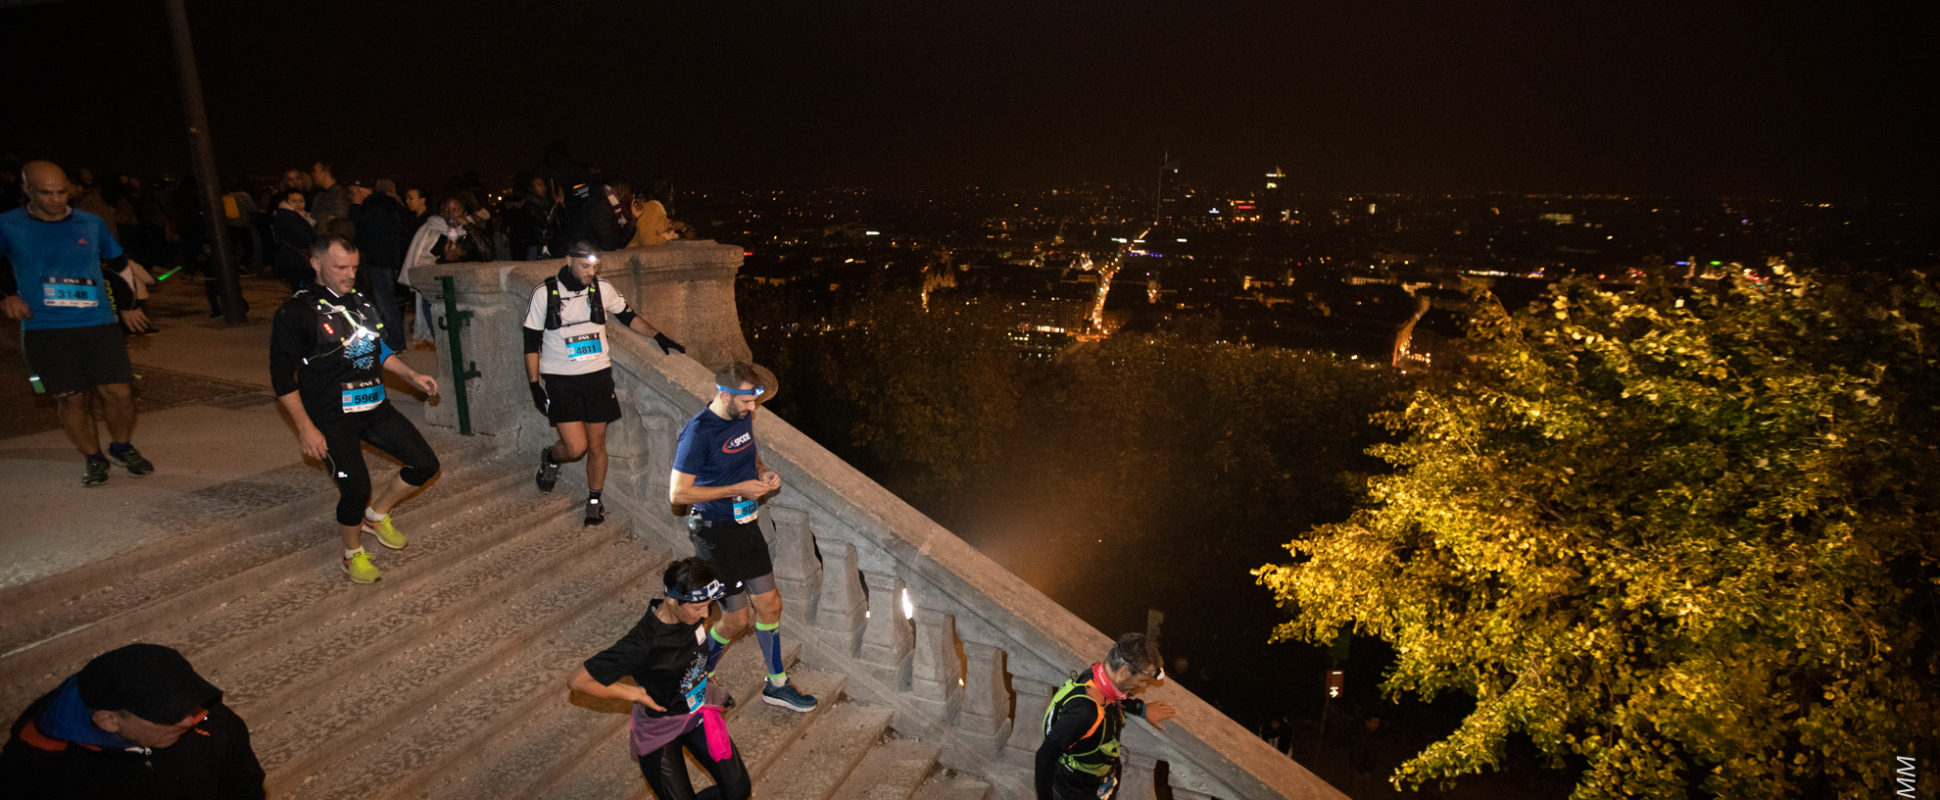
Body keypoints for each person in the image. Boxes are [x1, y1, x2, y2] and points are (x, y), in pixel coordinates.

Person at [270, 234, 441, 584]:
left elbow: (374, 347)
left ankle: (376, 516)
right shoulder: (296, 311)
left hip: (373, 405)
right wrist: (305, 427)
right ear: (316, 264)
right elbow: (281, 377)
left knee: (425, 464)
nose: (350, 274)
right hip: (330, 417)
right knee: (356, 488)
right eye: (340, 267)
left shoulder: (361, 301)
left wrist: (411, 375)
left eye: (354, 267)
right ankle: (352, 555)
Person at [670, 362, 818, 712]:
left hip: (746, 525)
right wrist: (737, 487)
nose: (754, 408)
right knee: (737, 620)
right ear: (725, 395)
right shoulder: (698, 433)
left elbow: (749, 455)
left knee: (770, 603)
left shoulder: (742, 417)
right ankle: (697, 673)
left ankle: (777, 685)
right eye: (748, 401)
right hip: (715, 533)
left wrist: (764, 473)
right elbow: (677, 495)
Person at [0, 160, 156, 487]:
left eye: (62, 192)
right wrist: (7, 294)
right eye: (47, 193)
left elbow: (118, 264)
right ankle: (93, 456)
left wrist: (128, 306)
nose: (58, 199)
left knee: (120, 392)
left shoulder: (90, 222)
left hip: (96, 321)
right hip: (44, 326)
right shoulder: (8, 224)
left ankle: (121, 446)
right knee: (70, 398)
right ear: (27, 190)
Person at [526, 240, 685, 525]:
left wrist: (658, 336)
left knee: (597, 444)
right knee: (575, 447)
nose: (590, 272)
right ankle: (551, 456)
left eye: (594, 267)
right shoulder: (544, 293)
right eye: (584, 266)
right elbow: (530, 342)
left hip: (597, 376)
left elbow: (628, 316)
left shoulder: (602, 289)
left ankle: (594, 499)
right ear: (568, 260)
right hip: (561, 379)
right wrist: (534, 385)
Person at [568, 557, 750, 800]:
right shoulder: (643, 643)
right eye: (698, 608)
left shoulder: (692, 614)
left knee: (738, 791)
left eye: (708, 605)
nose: (705, 614)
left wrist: (704, 675)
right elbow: (578, 680)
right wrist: (634, 693)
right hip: (661, 728)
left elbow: (694, 648)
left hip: (697, 712)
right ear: (672, 600)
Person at [0, 643, 265, 798]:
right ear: (109, 721)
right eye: (169, 715)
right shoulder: (39, 767)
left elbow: (243, 783)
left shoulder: (212, 719)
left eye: (191, 704)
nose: (192, 720)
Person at [1036, 633, 1177, 800]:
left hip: (1096, 786)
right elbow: (1045, 757)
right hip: (1075, 792)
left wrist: (1141, 709)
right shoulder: (1085, 713)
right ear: (1124, 671)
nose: (1143, 687)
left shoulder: (1096, 675)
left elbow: (1112, 699)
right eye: (1141, 681)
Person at [271, 187, 316, 291]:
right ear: (286, 202)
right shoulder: (288, 216)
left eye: (301, 201)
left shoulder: (300, 216)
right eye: (294, 201)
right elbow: (305, 237)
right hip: (295, 260)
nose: (298, 204)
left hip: (296, 259)